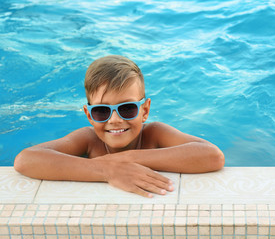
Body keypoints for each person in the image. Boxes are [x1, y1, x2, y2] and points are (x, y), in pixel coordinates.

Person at [14, 55, 225, 198]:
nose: (114, 119)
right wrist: (107, 170)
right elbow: (26, 159)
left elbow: (212, 155)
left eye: (127, 108)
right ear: (89, 114)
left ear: (145, 110)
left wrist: (127, 158)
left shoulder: (154, 135)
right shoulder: (88, 140)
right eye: (102, 111)